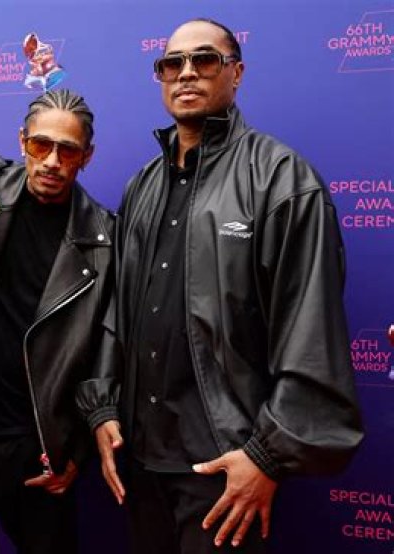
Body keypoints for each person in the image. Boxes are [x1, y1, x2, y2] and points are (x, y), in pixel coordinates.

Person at [77, 18, 364, 553]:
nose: (186, 73)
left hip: (226, 469)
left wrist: (266, 457)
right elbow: (116, 314)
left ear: (236, 73)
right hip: (141, 465)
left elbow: (311, 332)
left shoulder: (281, 178)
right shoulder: (142, 186)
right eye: (172, 63)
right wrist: (103, 409)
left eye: (204, 60)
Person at [0, 89, 115, 553]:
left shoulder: (104, 241)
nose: (51, 161)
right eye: (40, 145)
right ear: (21, 142)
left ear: (86, 156)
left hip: (39, 452)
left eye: (67, 150)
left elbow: (108, 352)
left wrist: (76, 451)